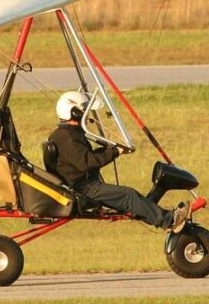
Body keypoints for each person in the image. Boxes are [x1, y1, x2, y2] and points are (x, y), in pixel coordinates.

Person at [48, 91, 190, 233]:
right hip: (83, 188)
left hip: (81, 183)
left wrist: (110, 150)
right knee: (128, 195)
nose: (87, 114)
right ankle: (170, 221)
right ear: (74, 113)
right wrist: (115, 152)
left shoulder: (67, 134)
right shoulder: (67, 137)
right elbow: (87, 162)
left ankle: (155, 215)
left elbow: (84, 157)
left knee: (128, 196)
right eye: (83, 110)